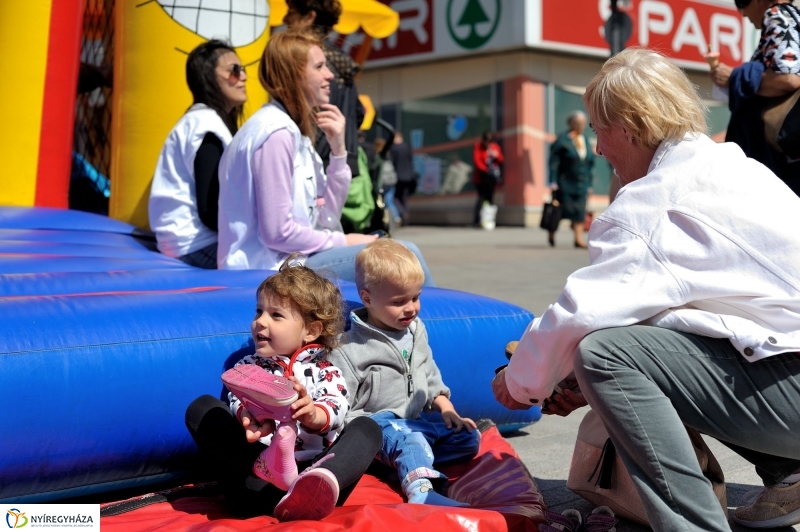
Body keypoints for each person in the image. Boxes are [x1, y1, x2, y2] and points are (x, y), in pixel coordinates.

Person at [491, 48, 800, 531]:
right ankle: (788, 473)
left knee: (605, 354)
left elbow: (582, 315)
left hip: (792, 393)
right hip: (786, 369)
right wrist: (570, 379)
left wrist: (519, 383)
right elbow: (687, 321)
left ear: (630, 125)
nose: (596, 149)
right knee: (635, 344)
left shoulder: (652, 205)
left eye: (598, 129)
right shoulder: (736, 167)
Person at [217, 30, 435, 285]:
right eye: (319, 67)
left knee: (397, 256)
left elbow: (328, 216)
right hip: (269, 271)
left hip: (290, 261)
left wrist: (339, 150)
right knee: (405, 256)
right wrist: (344, 241)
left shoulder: (293, 132)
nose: (329, 75)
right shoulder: (275, 133)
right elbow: (277, 233)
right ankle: (437, 323)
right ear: (293, 75)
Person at [185, 255, 383, 522]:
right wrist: (246, 414)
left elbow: (336, 404)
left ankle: (324, 479)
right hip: (255, 482)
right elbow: (236, 393)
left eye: (276, 315)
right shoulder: (249, 365)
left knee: (367, 427)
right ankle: (266, 464)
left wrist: (314, 415)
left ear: (311, 330)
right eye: (259, 311)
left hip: (311, 475)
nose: (260, 322)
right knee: (202, 408)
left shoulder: (325, 370)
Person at [328, 239, 480, 508]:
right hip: (375, 426)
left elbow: (428, 371)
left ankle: (403, 461)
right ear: (367, 298)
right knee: (408, 439)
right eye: (399, 301)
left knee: (468, 438)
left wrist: (445, 406)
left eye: (416, 297)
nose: (411, 307)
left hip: (414, 421)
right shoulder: (350, 347)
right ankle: (421, 490)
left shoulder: (415, 330)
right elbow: (340, 403)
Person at [149, 40, 246, 269]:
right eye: (234, 71)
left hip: (187, 242)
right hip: (196, 246)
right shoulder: (206, 126)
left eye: (243, 70)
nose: (242, 77)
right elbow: (209, 211)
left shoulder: (202, 120)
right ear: (207, 77)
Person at [709, 0, 800, 193]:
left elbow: (789, 78)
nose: (742, 13)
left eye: (742, 2)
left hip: (785, 159)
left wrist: (734, 77)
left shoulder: (776, 13)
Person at [547, 112, 595, 248]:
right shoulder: (562, 140)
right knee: (559, 211)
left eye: (583, 123)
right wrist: (552, 181)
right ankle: (552, 234)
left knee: (579, 211)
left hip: (581, 183)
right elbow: (553, 162)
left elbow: (590, 162)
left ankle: (578, 239)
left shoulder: (585, 139)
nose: (582, 126)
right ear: (571, 124)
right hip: (564, 183)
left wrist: (590, 184)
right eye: (579, 123)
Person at [471, 131, 504, 228]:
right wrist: (485, 169)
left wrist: (496, 155)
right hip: (481, 177)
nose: (488, 143)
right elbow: (477, 161)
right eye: (487, 141)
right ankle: (477, 220)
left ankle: (488, 219)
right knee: (481, 198)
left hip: (491, 178)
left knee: (490, 198)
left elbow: (501, 159)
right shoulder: (478, 147)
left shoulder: (495, 147)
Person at [389, 131, 416, 226]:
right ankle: (405, 215)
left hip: (398, 176)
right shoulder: (408, 147)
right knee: (404, 197)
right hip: (409, 176)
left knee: (395, 197)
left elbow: (393, 163)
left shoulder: (394, 149)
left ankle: (403, 213)